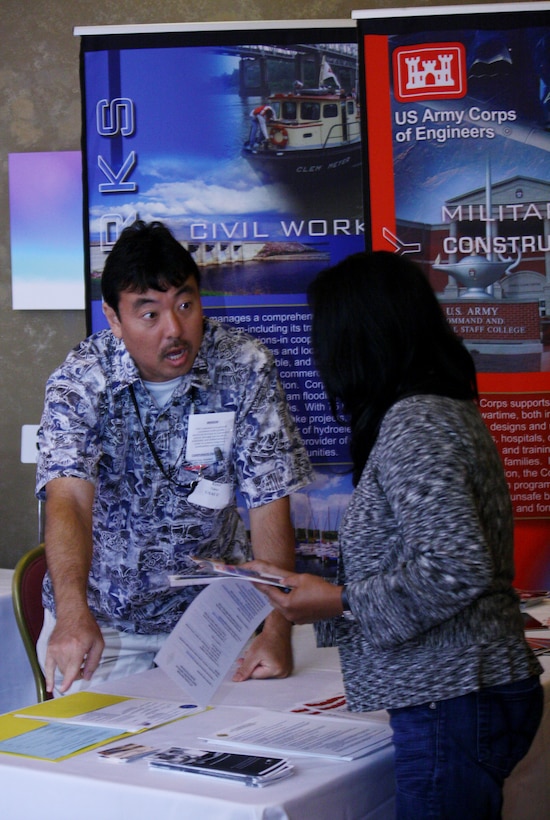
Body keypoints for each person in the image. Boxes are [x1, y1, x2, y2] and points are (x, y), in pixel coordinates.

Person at [247, 251, 543, 819]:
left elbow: (455, 566)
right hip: (462, 690)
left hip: (452, 694)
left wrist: (335, 599)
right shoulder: (441, 411)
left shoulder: (417, 422)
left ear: (359, 337)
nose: (319, 352)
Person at [36, 219, 312, 697]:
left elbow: (269, 500)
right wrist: (73, 613)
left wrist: (277, 629)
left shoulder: (245, 366)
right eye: (150, 314)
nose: (176, 329)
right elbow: (70, 503)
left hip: (216, 620)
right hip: (105, 624)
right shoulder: (80, 380)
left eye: (186, 304)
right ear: (113, 317)